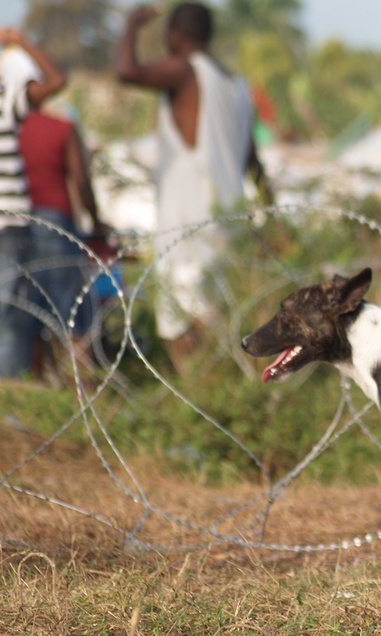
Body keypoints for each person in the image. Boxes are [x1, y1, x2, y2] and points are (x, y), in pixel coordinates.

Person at [116, 2, 271, 371]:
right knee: (219, 313)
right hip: (227, 215)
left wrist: (132, 23)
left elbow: (127, 71)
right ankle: (216, 391)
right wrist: (273, 216)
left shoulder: (187, 70)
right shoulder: (236, 87)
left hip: (188, 218)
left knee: (180, 323)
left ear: (175, 35)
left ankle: (195, 396)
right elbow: (253, 160)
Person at [15, 50, 110, 373]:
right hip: (55, 222)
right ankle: (80, 384)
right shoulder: (60, 128)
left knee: (24, 312)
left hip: (11, 225)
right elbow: (81, 181)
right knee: (71, 310)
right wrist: (96, 221)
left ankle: (29, 389)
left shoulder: (5, 129)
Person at [0, 29, 66, 379]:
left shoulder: (4, 100)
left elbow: (56, 81)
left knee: (10, 312)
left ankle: (5, 391)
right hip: (9, 227)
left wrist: (18, 40)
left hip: (8, 226)